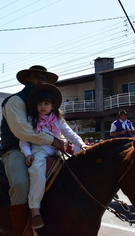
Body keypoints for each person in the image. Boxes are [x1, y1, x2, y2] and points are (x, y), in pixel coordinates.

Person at [0, 65, 65, 236]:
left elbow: (62, 127)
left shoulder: (45, 104)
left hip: (46, 147)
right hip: (15, 149)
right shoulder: (15, 101)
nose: (41, 81)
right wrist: (53, 140)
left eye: (44, 79)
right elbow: (22, 132)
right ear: (27, 79)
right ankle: (22, 231)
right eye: (37, 77)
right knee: (21, 184)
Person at [19, 83, 87, 229]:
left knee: (74, 170)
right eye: (39, 103)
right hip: (39, 150)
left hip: (57, 151)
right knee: (36, 170)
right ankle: (35, 209)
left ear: (53, 105)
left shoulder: (58, 120)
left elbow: (70, 134)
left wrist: (81, 145)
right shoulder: (31, 119)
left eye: (46, 103)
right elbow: (23, 140)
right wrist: (28, 154)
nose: (42, 106)